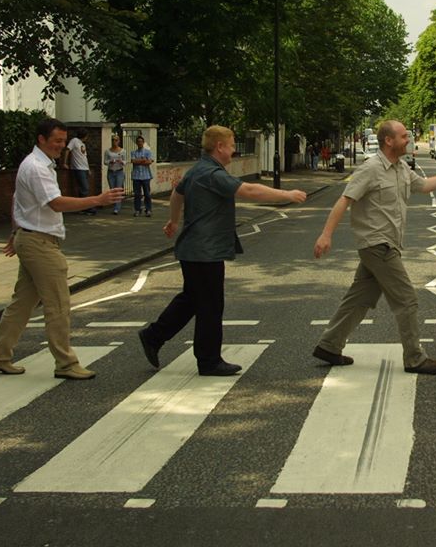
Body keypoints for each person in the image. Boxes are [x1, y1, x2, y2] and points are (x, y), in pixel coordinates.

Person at [137, 125, 306, 376]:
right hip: (205, 250)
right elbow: (247, 190)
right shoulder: (213, 174)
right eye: (232, 144)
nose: (234, 149)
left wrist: (174, 221)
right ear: (219, 146)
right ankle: (208, 360)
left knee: (192, 299)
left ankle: (153, 336)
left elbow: (176, 193)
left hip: (194, 248)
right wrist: (287, 194)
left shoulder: (197, 170)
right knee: (211, 305)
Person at [312, 120, 436, 374]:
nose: (408, 139)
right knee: (407, 300)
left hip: (387, 244)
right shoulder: (371, 169)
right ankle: (415, 358)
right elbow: (345, 199)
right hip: (378, 245)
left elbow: (425, 186)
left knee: (359, 299)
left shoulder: (400, 169)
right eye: (404, 136)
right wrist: (326, 235)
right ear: (389, 141)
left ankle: (329, 345)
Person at [0, 119, 124, 379]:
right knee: (58, 304)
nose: (61, 145)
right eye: (57, 141)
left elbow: (18, 200)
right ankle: (66, 364)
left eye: (63, 140)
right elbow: (56, 204)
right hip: (40, 243)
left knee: (22, 303)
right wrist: (97, 199)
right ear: (41, 139)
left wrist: (16, 233)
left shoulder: (38, 164)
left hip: (32, 238)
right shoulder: (36, 167)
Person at [65, 128, 95, 215]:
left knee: (85, 188)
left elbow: (84, 158)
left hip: (84, 168)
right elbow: (67, 150)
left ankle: (83, 206)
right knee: (84, 188)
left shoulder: (83, 144)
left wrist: (88, 168)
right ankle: (85, 207)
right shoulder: (74, 141)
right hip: (78, 168)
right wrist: (65, 162)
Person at [130, 135, 154, 217]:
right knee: (137, 194)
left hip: (146, 176)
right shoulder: (133, 152)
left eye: (141, 142)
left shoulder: (148, 152)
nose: (140, 143)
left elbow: (149, 162)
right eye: (138, 142)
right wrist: (143, 160)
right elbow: (133, 161)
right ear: (136, 143)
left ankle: (148, 209)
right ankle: (137, 209)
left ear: (143, 142)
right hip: (136, 176)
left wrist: (139, 161)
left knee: (147, 194)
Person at [103, 134, 126, 215]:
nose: (114, 142)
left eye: (116, 140)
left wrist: (121, 162)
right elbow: (105, 162)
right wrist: (110, 161)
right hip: (111, 171)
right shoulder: (107, 151)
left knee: (118, 190)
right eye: (113, 140)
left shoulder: (122, 151)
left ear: (119, 141)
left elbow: (125, 161)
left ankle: (117, 208)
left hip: (119, 171)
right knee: (112, 190)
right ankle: (115, 205)